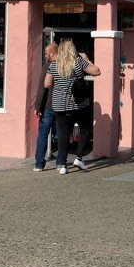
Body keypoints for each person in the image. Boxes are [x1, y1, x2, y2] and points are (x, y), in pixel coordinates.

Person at [44, 38, 101, 174]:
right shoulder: (78, 62)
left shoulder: (54, 64)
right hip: (77, 103)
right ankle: (79, 157)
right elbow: (97, 71)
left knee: (63, 134)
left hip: (59, 104)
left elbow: (46, 84)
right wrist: (86, 59)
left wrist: (59, 82)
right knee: (85, 128)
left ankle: (63, 165)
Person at [33, 42, 58, 171]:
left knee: (43, 134)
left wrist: (38, 106)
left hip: (48, 106)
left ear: (53, 54)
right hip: (61, 106)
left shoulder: (48, 66)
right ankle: (60, 163)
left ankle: (39, 164)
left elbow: (42, 88)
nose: (46, 55)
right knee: (62, 134)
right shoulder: (65, 66)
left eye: (47, 53)